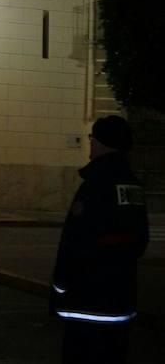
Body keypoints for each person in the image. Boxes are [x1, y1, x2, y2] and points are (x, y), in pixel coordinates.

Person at [51, 115, 148, 364]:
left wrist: (60, 286)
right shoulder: (132, 185)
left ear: (102, 143)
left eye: (92, 138)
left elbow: (74, 241)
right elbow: (140, 239)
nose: (90, 144)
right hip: (120, 300)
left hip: (87, 302)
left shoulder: (95, 184)